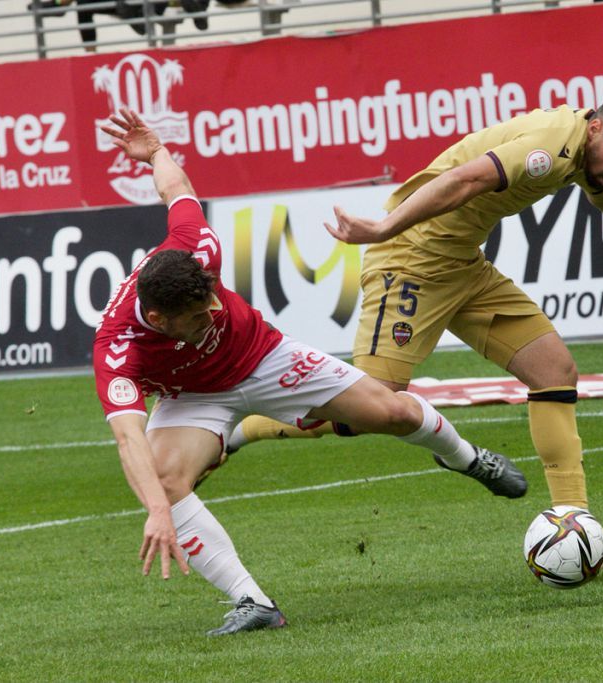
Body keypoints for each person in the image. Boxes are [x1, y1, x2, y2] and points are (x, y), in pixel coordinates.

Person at [93, 109, 527, 636]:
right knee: (163, 480)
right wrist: (158, 509)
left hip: (263, 357)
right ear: (159, 320)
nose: (211, 313)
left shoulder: (196, 250)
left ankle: (467, 459)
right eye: (196, 316)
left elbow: (176, 187)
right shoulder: (119, 346)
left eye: (211, 301)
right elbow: (126, 437)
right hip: (192, 398)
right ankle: (253, 602)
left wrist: (156, 151)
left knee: (390, 411)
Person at [229, 86, 603, 574]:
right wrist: (383, 229)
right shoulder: (546, 146)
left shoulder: (586, 154)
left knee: (554, 370)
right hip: (410, 262)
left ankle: (578, 523)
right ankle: (243, 427)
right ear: (596, 127)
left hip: (463, 267)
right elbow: (464, 180)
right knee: (375, 405)